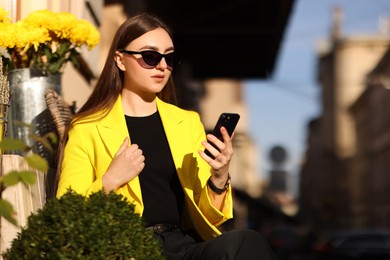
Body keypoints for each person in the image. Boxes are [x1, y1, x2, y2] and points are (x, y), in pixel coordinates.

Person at [56, 13, 277, 259]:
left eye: (168, 58)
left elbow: (211, 216)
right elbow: (68, 211)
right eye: (150, 57)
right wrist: (110, 180)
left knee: (247, 241)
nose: (162, 66)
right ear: (120, 60)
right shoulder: (87, 127)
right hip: (127, 248)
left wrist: (219, 175)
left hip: (183, 246)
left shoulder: (187, 123)